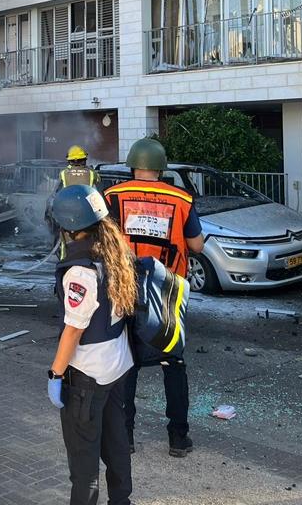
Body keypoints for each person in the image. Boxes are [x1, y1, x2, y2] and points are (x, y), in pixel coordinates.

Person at [103, 137, 203, 458]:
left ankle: (126, 437)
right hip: (167, 291)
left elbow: (103, 242)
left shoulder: (113, 195)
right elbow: (196, 245)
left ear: (133, 165)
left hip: (127, 288)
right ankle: (178, 439)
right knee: (173, 363)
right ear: (161, 168)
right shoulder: (181, 199)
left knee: (127, 363)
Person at [47, 184, 136, 505]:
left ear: (68, 227)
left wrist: (56, 374)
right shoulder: (115, 253)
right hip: (117, 366)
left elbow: (74, 330)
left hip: (87, 375)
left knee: (84, 465)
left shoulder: (79, 271)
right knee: (116, 445)